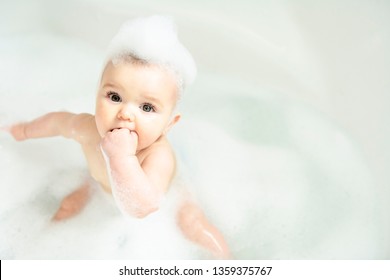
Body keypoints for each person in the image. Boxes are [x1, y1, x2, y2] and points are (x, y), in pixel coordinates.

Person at [5, 16, 230, 259]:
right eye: (114, 97)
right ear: (96, 94)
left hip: (166, 198)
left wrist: (121, 157)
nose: (125, 113)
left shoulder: (157, 156)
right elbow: (58, 122)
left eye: (146, 108)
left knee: (193, 225)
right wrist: (23, 130)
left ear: (168, 124)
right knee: (67, 208)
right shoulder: (87, 128)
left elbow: (143, 206)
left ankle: (230, 263)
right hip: (101, 186)